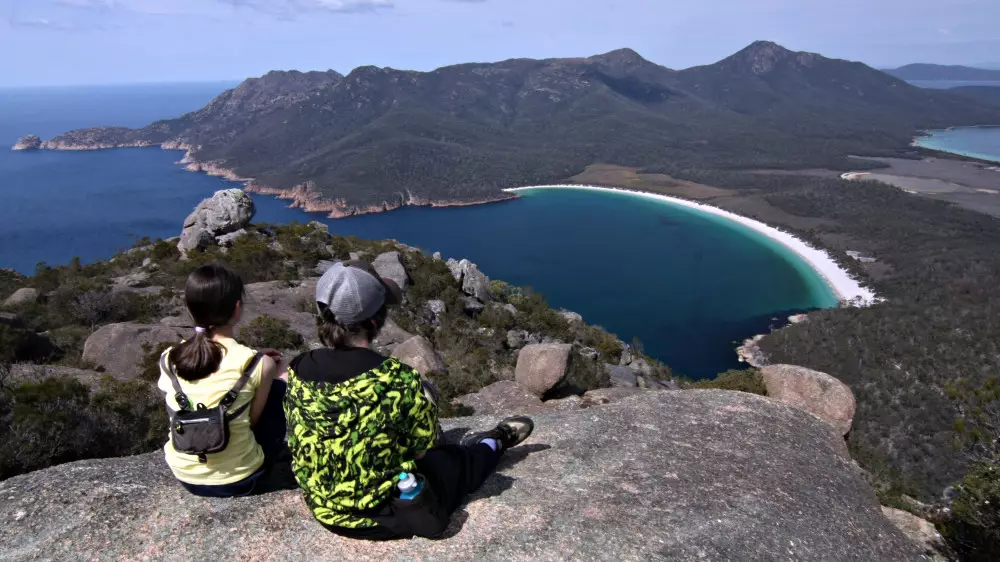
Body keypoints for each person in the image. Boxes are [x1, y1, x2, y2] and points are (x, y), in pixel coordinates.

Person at [284, 260, 534, 540]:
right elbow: (421, 453)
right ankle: (495, 442)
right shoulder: (396, 379)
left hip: (324, 508)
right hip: (382, 516)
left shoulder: (299, 367)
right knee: (452, 461)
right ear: (376, 322)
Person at [158, 263, 289, 498]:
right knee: (279, 388)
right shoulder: (257, 364)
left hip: (185, 476)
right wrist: (277, 374)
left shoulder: (169, 358)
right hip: (242, 479)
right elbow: (253, 421)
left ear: (191, 310)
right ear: (236, 309)